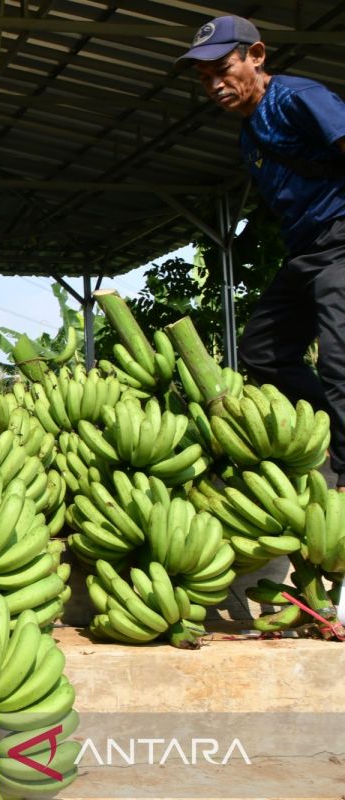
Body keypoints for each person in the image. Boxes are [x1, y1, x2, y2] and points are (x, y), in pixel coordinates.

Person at [177, 15, 345, 489]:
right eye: (205, 78)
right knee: (263, 350)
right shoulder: (247, 135)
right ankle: (328, 431)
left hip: (341, 236)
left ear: (257, 56)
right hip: (306, 249)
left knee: (340, 359)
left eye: (223, 68)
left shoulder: (297, 99)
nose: (215, 84)